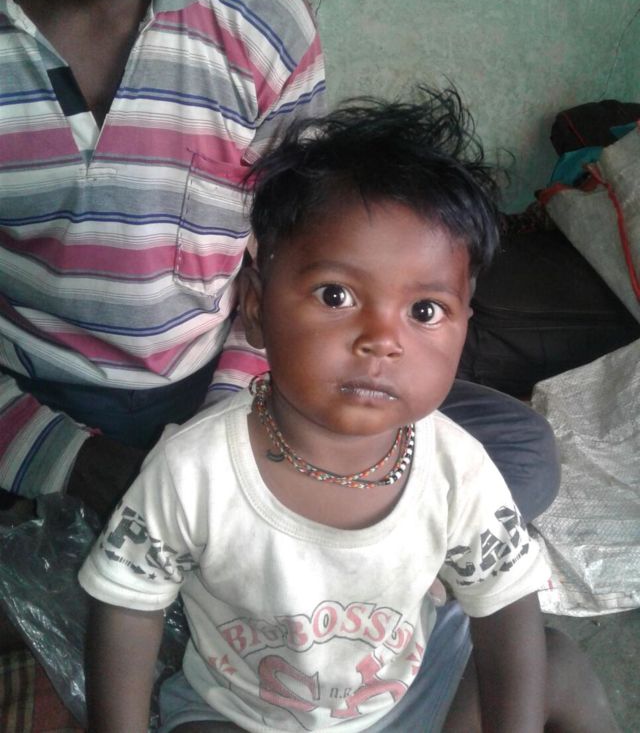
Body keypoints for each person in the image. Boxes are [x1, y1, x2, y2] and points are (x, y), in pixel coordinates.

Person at [0, 0, 556, 522]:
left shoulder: (260, 21)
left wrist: (224, 429)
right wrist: (70, 463)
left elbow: (293, 261)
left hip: (244, 371)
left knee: (520, 453)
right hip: (36, 389)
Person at [79, 88, 618, 733]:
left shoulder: (459, 468)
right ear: (255, 307)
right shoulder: (192, 468)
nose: (382, 340)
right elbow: (128, 606)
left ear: (464, 328)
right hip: (244, 713)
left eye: (424, 311)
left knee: (557, 665)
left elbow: (507, 611)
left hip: (414, 691)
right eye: (336, 295)